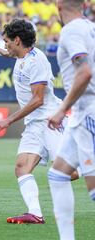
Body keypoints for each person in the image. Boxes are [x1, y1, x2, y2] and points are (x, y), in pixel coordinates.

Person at [0, 19, 65, 224]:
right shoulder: (22, 56)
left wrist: (9, 120)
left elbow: (38, 99)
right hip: (34, 124)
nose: (5, 44)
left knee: (70, 172)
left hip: (51, 120)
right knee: (22, 166)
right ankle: (35, 214)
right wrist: (6, 53)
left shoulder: (36, 61)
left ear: (17, 40)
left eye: (7, 41)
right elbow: (17, 55)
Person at [47, 0, 95, 239]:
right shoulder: (90, 27)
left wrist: (61, 108)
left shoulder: (71, 30)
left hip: (88, 112)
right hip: (82, 115)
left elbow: (85, 72)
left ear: (58, 5)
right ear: (85, 4)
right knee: (57, 175)